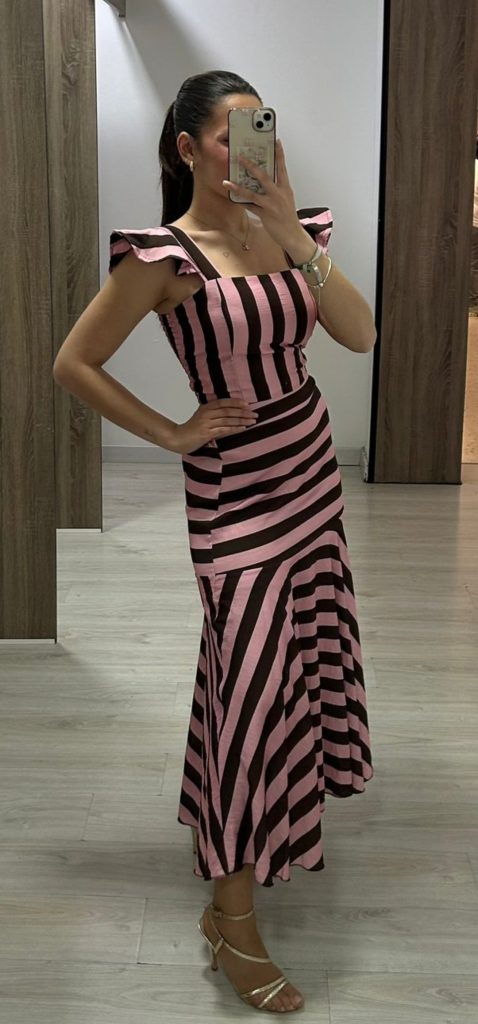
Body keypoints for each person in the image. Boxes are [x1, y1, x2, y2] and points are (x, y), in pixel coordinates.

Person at [54, 70, 376, 1014]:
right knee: (246, 689)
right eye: (235, 136)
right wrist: (172, 431)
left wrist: (286, 230)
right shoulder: (165, 258)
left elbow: (360, 335)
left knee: (287, 674)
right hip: (235, 493)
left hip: (310, 471)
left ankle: (243, 872)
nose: (254, 151)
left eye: (263, 130)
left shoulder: (294, 233)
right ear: (187, 149)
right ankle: (234, 918)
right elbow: (73, 363)